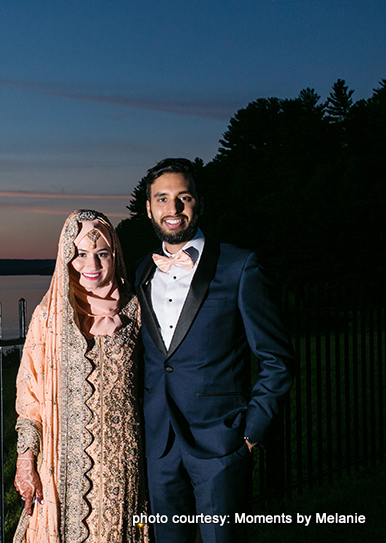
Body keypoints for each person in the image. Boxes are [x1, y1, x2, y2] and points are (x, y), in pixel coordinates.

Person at [135, 158, 295, 543]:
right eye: (162, 199)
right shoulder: (142, 270)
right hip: (159, 445)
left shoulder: (239, 266)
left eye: (183, 197)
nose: (173, 209)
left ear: (199, 204)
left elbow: (277, 360)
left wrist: (251, 431)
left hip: (221, 443)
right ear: (149, 208)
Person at [13, 209, 148, 543]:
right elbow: (29, 394)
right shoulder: (48, 317)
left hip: (121, 463)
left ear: (114, 255)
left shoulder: (135, 310)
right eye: (80, 255)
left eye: (102, 254)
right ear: (65, 258)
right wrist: (25, 459)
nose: (93, 265)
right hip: (61, 465)